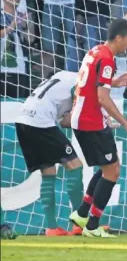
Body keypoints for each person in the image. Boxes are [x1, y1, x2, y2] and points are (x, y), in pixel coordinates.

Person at [69, 19, 127, 238]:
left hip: (84, 118)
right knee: (113, 171)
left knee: (107, 168)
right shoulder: (107, 59)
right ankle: (92, 226)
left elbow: (90, 85)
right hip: (89, 121)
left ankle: (83, 214)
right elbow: (103, 97)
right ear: (118, 38)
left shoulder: (96, 50)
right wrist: (126, 124)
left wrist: (114, 82)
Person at [14, 71, 84, 236]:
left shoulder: (63, 75)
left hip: (23, 119)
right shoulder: (82, 81)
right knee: (75, 166)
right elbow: (78, 102)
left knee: (48, 171)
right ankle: (79, 223)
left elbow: (66, 122)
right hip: (40, 122)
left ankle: (52, 227)